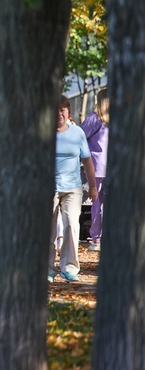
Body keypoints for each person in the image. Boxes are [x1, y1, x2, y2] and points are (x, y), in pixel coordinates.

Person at [50, 94, 98, 283]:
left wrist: (92, 187)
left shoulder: (77, 133)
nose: (59, 113)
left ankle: (69, 268)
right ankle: (47, 269)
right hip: (49, 187)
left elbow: (87, 160)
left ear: (68, 112)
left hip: (72, 188)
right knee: (49, 229)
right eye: (56, 109)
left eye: (62, 109)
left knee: (71, 225)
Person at [80, 89, 108, 252]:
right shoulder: (113, 120)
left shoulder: (93, 118)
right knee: (102, 204)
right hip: (104, 168)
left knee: (96, 203)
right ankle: (100, 237)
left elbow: (80, 137)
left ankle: (97, 238)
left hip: (96, 167)